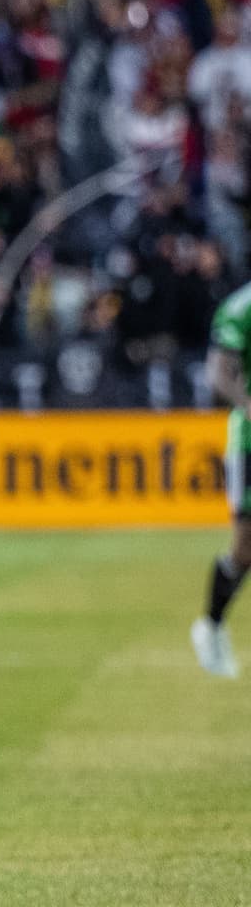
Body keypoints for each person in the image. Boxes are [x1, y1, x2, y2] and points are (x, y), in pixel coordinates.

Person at [193, 279, 251, 679]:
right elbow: (218, 376)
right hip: (249, 442)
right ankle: (211, 627)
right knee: (245, 547)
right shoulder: (240, 309)